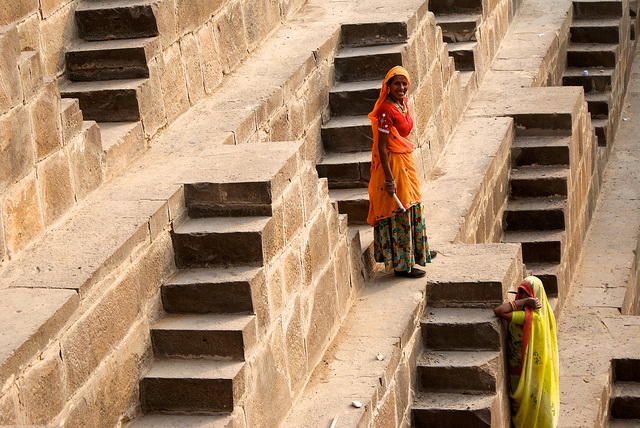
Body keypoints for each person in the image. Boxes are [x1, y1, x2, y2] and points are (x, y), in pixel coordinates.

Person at [366, 65, 433, 278]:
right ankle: (402, 265)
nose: (401, 87)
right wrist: (389, 178)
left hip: (404, 159)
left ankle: (417, 252)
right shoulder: (386, 109)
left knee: (413, 203)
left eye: (404, 83)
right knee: (400, 208)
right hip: (393, 164)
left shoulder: (402, 103)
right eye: (397, 83)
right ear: (388, 86)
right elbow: (382, 147)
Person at [493, 276, 559, 427]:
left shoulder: (530, 317)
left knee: (533, 406)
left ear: (536, 297)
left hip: (528, 370)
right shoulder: (542, 314)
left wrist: (522, 303)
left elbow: (499, 311)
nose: (522, 297)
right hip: (523, 367)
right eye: (521, 293)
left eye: (527, 294)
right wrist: (524, 302)